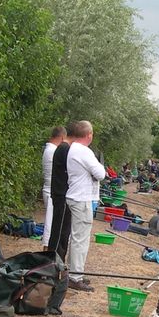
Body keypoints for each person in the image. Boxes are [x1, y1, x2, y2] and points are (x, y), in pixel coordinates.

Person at [64, 120, 106, 292]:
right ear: (89, 135)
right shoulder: (84, 151)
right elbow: (101, 174)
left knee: (76, 238)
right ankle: (75, 277)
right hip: (81, 199)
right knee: (80, 240)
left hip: (75, 197)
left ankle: (72, 272)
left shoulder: (73, 149)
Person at [45, 128, 73, 260]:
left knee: (61, 230)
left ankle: (56, 260)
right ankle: (53, 260)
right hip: (60, 194)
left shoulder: (57, 148)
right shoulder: (62, 149)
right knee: (58, 230)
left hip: (57, 192)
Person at [39, 125, 66, 248]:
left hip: (49, 188)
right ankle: (47, 248)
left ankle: (48, 248)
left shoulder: (48, 149)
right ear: (62, 138)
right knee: (50, 223)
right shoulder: (53, 151)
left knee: (51, 221)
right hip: (51, 190)